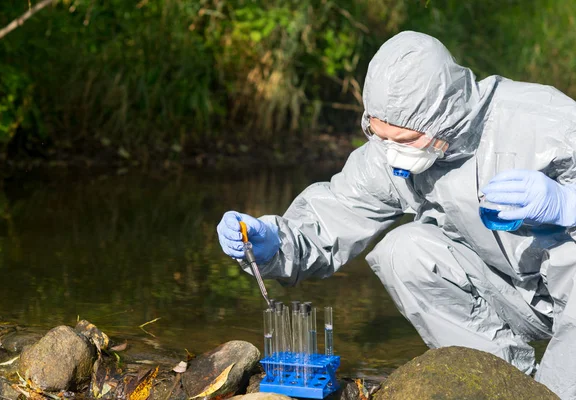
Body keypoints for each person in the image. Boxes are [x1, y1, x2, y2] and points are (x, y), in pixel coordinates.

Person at [216, 31, 576, 399]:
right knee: (403, 251)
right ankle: (503, 386)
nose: (393, 154)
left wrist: (568, 204)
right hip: (511, 294)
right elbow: (333, 216)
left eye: (405, 141)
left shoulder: (545, 121)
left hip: (569, 288)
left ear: (445, 116)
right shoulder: (390, 154)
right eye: (379, 134)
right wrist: (272, 243)